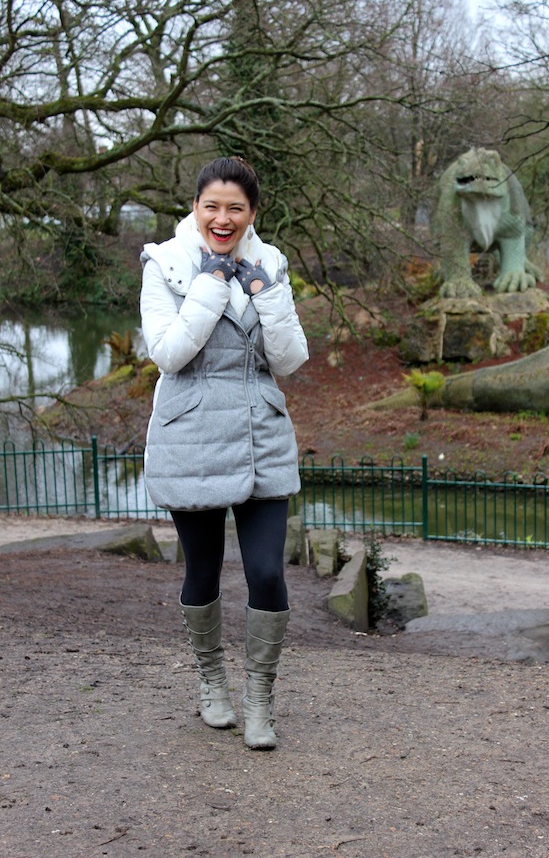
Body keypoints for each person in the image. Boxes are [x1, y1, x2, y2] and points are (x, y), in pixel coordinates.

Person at [139, 156, 309, 750]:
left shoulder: (272, 263)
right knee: (203, 569)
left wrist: (266, 292)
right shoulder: (165, 264)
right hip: (191, 436)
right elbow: (168, 354)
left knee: (266, 570)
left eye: (235, 207)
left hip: (262, 434)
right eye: (212, 205)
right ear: (195, 207)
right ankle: (212, 681)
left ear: (252, 213)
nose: (222, 217)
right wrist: (212, 282)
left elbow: (288, 360)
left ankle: (260, 698)